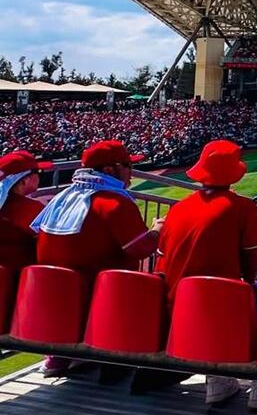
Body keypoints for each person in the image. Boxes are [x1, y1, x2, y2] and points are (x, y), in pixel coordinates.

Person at [157, 139, 257, 410]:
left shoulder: (177, 209)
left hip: (177, 305)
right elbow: (253, 267)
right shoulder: (242, 208)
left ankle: (219, 379)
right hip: (217, 308)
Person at [33, 140, 162, 378]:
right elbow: (141, 249)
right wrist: (157, 229)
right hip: (98, 297)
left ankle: (59, 355)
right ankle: (113, 357)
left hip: (54, 299)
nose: (131, 172)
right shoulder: (114, 203)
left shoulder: (62, 197)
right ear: (110, 170)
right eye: (127, 165)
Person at [0, 150, 49, 275]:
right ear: (24, 180)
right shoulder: (32, 209)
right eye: (38, 172)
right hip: (20, 282)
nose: (40, 176)